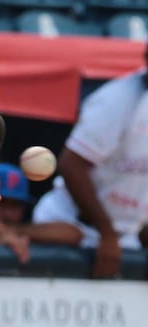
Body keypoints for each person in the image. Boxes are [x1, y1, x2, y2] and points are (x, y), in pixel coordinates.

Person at [30, 47, 148, 278]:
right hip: (70, 226)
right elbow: (71, 164)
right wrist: (107, 233)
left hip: (123, 237)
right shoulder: (119, 99)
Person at [0, 163, 82, 265]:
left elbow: (75, 234)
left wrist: (10, 231)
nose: (8, 213)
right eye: (0, 202)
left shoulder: (24, 231)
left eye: (15, 205)